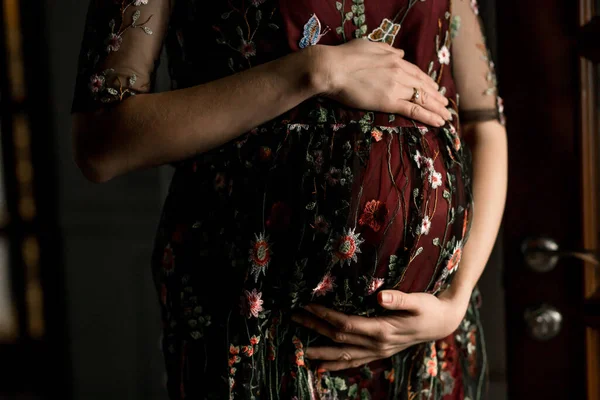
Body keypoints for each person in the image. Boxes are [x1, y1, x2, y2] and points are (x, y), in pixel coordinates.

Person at [71, 0, 507, 398]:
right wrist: (312, 73)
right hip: (255, 329)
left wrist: (457, 296)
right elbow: (102, 143)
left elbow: (483, 124)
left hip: (424, 338)